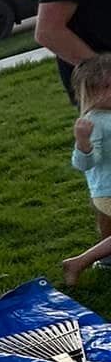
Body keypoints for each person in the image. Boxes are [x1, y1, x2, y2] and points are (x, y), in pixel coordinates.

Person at [62, 53, 111, 288]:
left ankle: (82, 262)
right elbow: (83, 164)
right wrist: (83, 143)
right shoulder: (94, 122)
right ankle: (79, 262)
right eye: (106, 86)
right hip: (107, 191)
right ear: (90, 91)